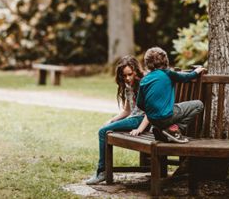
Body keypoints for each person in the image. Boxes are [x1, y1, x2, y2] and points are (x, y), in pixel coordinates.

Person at [85, 55, 149, 185]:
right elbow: (127, 111)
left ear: (136, 70)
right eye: (124, 76)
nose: (127, 78)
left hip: (141, 121)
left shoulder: (144, 83)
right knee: (105, 129)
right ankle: (103, 172)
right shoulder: (128, 85)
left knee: (103, 132)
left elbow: (150, 111)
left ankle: (102, 172)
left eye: (130, 74)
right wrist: (112, 120)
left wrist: (139, 129)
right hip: (134, 118)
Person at [137, 47, 205, 143]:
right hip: (166, 117)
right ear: (165, 60)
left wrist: (152, 110)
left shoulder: (144, 79)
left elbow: (139, 103)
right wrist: (196, 72)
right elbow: (185, 77)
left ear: (147, 63)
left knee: (170, 110)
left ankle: (161, 130)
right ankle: (174, 130)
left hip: (153, 120)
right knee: (198, 104)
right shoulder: (168, 73)